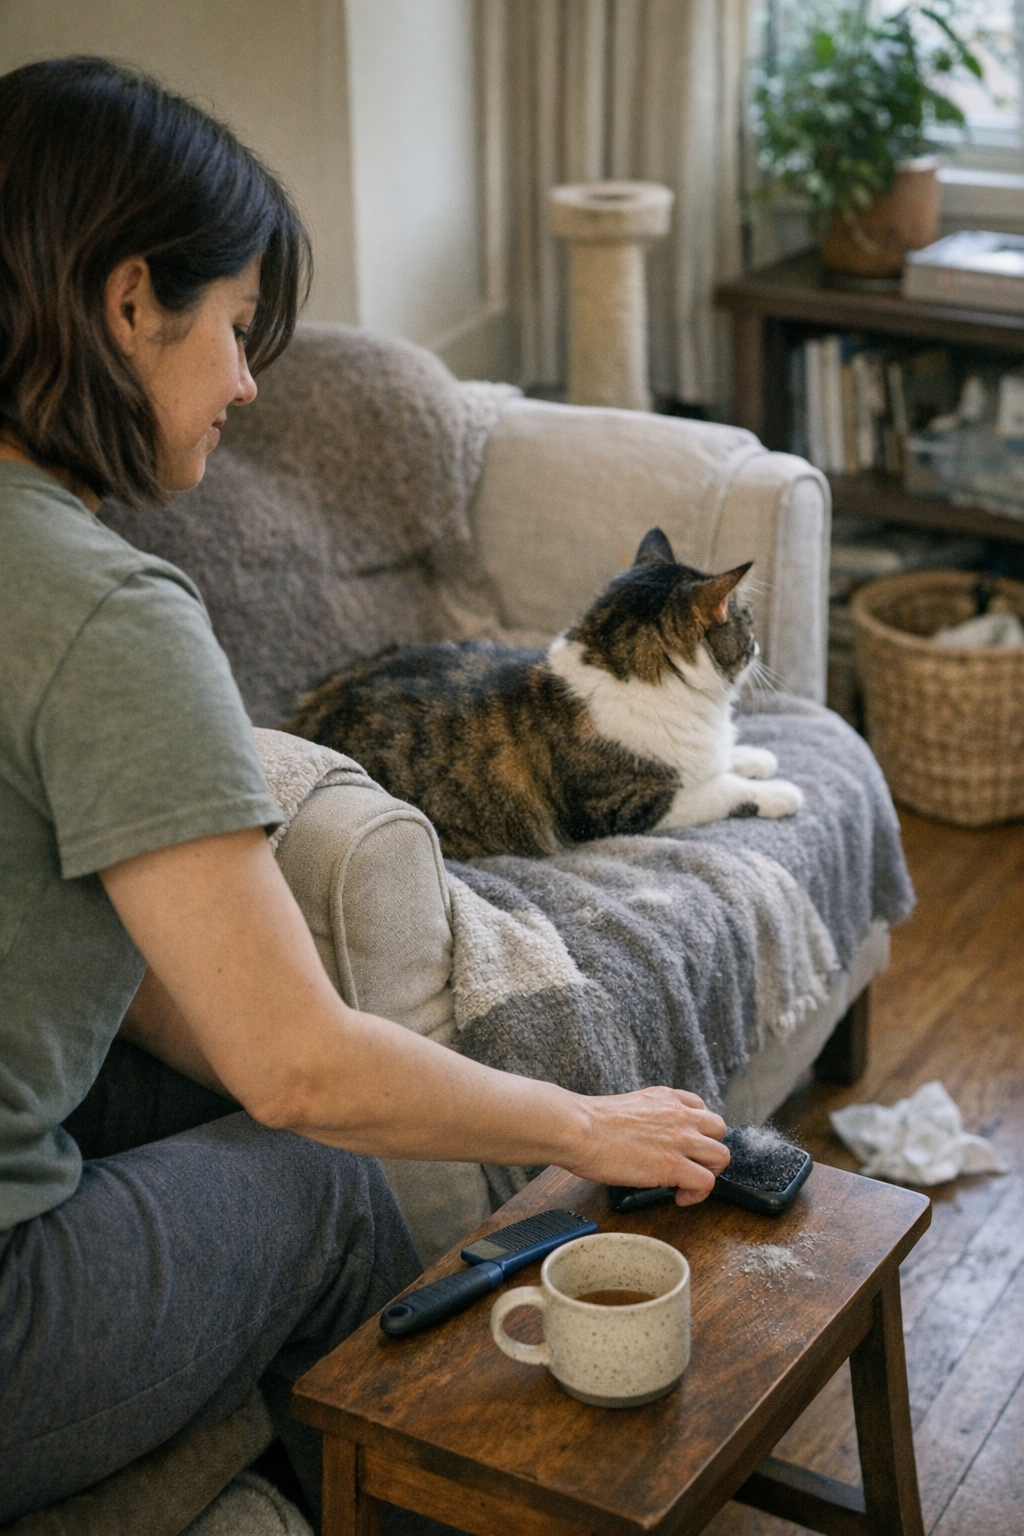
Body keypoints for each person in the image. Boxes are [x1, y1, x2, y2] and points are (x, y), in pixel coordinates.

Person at [0, 57, 730, 1528]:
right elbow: (300, 1073)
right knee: (326, 1173)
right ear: (129, 302)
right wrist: (584, 1130)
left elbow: (108, 963)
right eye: (239, 328)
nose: (252, 383)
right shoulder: (103, 609)